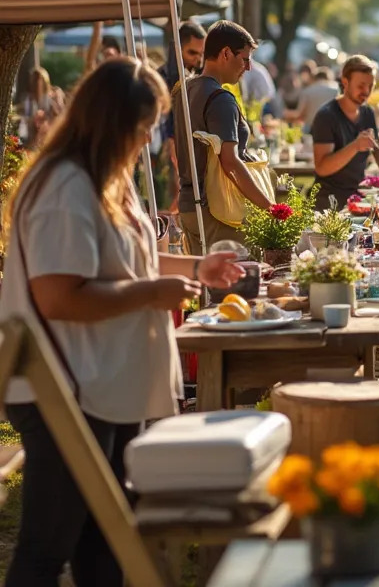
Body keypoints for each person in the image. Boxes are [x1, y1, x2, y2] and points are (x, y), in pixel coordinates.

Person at [0, 58, 244, 587]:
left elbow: (127, 261)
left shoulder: (107, 174)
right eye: (145, 126)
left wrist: (196, 267)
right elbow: (60, 296)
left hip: (108, 383)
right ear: (113, 123)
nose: (150, 138)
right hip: (66, 389)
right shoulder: (64, 188)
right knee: (49, 546)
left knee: (110, 539)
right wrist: (153, 294)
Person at [174, 21, 275, 254]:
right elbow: (230, 162)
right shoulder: (221, 98)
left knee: (204, 286)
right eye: (245, 58)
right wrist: (269, 207)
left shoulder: (184, 89)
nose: (248, 67)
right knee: (234, 284)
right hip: (219, 209)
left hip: (189, 204)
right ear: (226, 53)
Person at [311, 55, 379, 210]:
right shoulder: (326, 115)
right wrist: (355, 146)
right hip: (328, 205)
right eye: (361, 86)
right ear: (345, 82)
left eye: (371, 86)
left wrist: (377, 136)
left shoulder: (368, 113)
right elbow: (321, 167)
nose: (366, 91)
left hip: (357, 202)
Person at [159, 21, 207, 212]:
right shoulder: (161, 79)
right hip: (164, 155)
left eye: (201, 54)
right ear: (177, 50)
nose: (197, 59)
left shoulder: (196, 80)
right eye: (192, 53)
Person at [21, 67, 65, 147]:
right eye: (35, 79)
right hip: (35, 131)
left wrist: (46, 116)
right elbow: (26, 117)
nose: (38, 82)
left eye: (40, 79)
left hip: (50, 128)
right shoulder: (29, 99)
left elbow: (60, 114)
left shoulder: (54, 95)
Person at [290, 66, 339, 132]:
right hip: (331, 130)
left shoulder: (307, 91)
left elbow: (300, 114)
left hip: (311, 129)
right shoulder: (336, 91)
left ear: (315, 78)